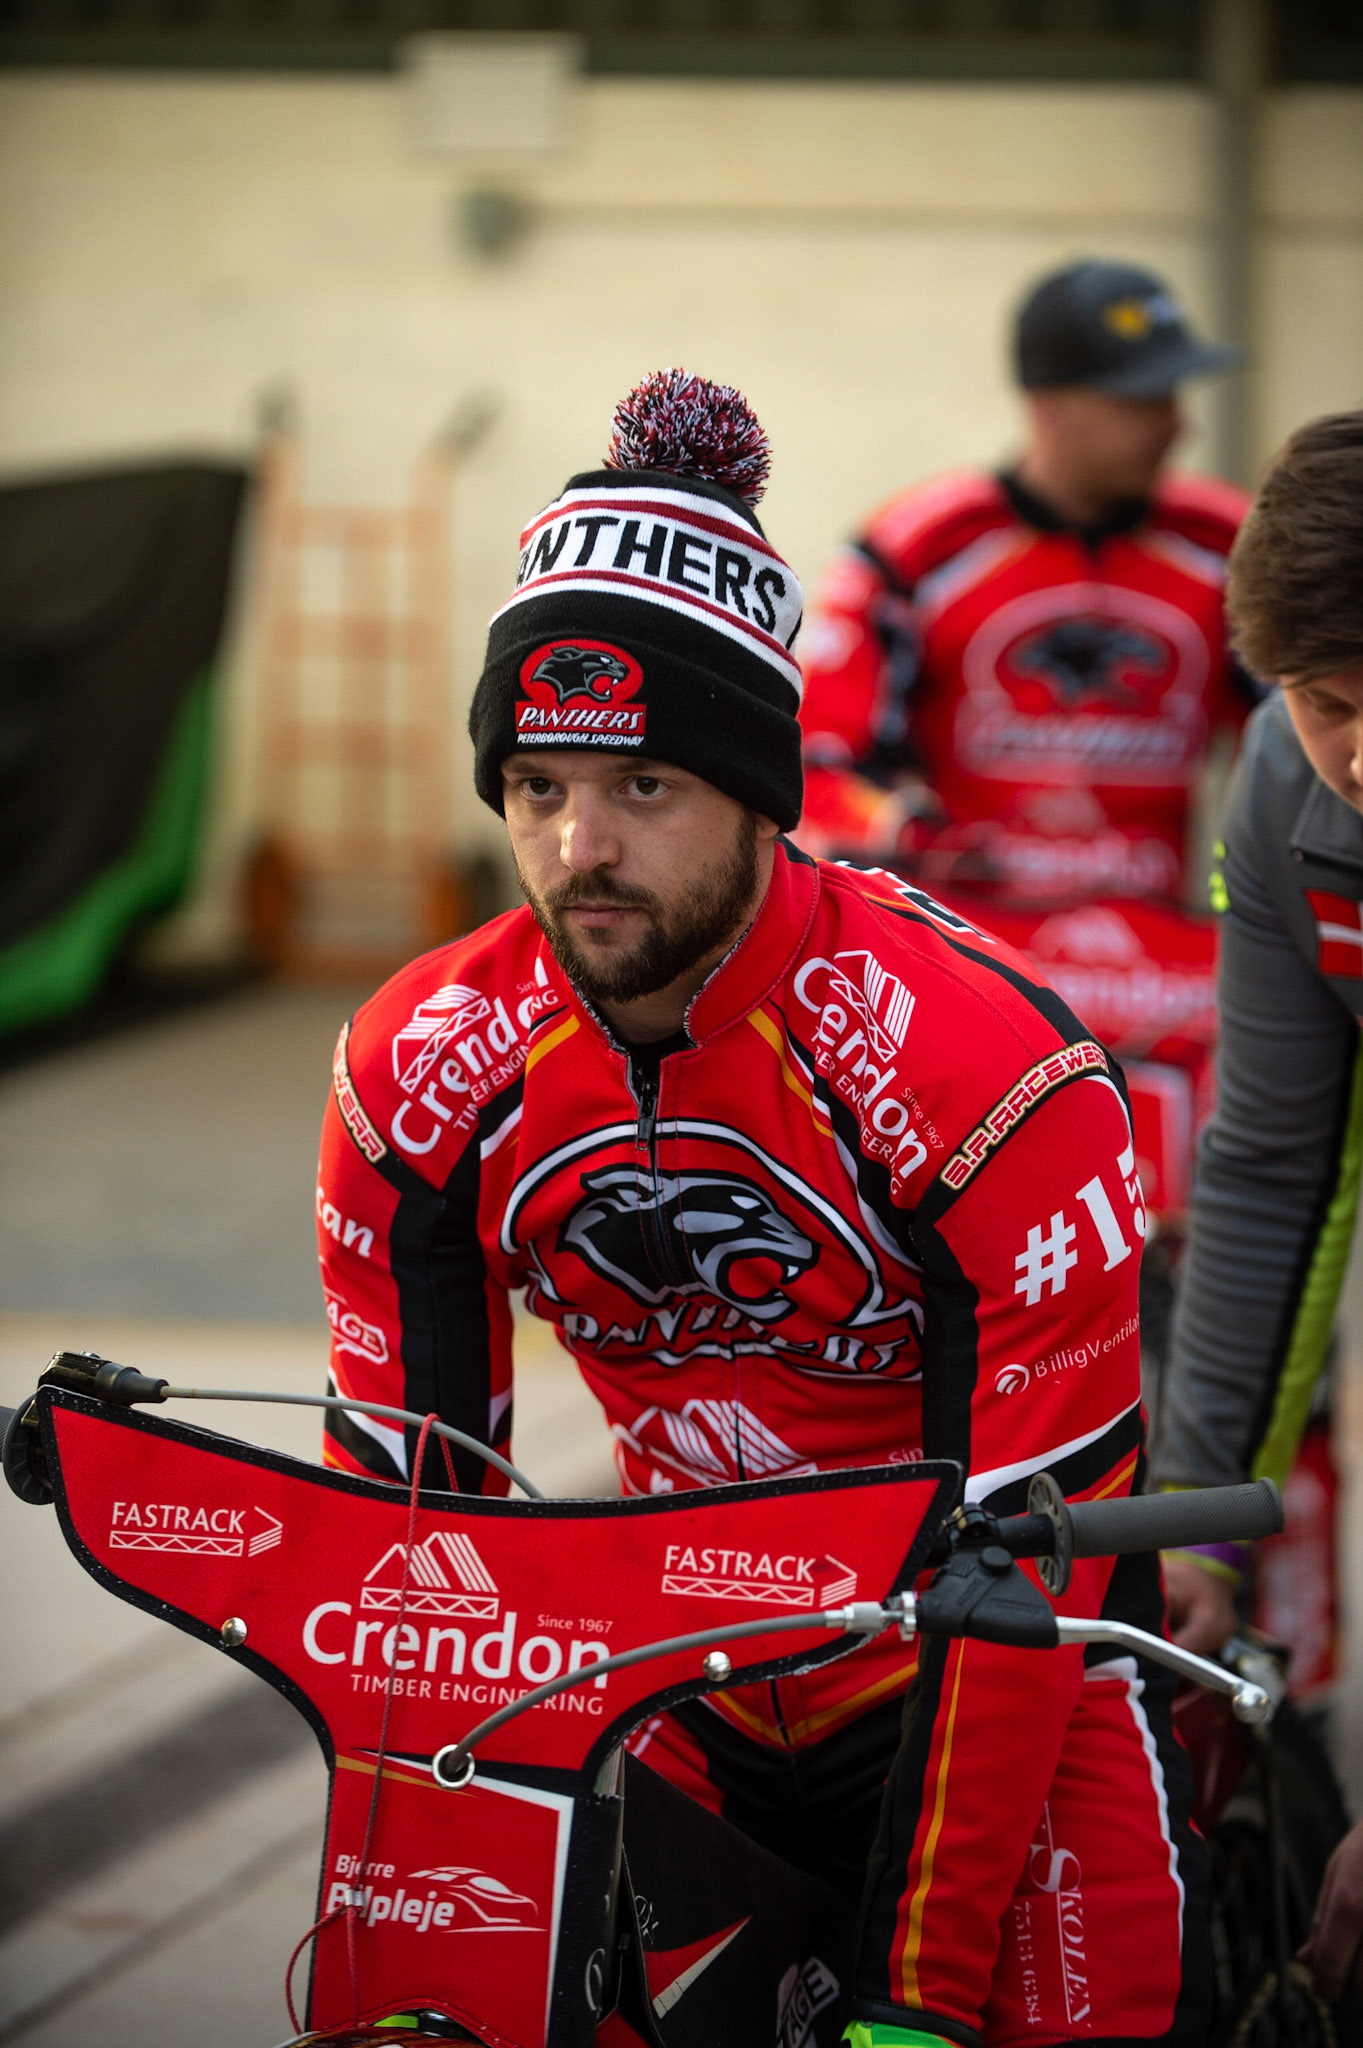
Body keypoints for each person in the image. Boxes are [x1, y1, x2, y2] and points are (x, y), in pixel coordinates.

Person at [316, 369, 1208, 2046]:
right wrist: (418, 1932)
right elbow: (411, 1551)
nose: (579, 846)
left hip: (992, 1677)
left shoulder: (982, 1066)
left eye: (643, 786)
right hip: (676, 1673)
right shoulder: (414, 1069)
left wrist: (915, 1996)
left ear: (758, 789)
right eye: (535, 786)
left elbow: (1022, 1584)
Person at [1149, 408, 1363, 2007]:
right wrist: (1192, 1510)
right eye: (1327, 703)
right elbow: (1270, 1162)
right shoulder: (1285, 786)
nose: (1358, 757)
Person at [796, 257, 1253, 907]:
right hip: (971, 956)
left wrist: (1236, 909)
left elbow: (1311, 747)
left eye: (1172, 397)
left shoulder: (1230, 547)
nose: (1177, 426)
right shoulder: (917, 551)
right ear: (1048, 405)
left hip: (1165, 970)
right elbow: (821, 768)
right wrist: (916, 838)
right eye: (1141, 401)